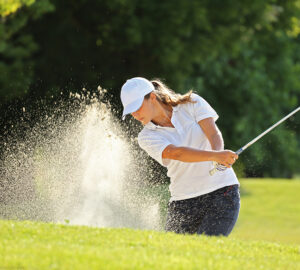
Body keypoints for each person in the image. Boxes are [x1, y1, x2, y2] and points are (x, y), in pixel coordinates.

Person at [120, 77, 240, 236]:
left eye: (137, 107)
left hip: (222, 193)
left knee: (206, 250)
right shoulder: (146, 136)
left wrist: (218, 156)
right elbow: (176, 153)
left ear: (152, 97)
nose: (135, 115)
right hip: (183, 203)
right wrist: (216, 156)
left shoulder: (192, 103)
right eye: (131, 111)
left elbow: (213, 133)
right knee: (172, 256)